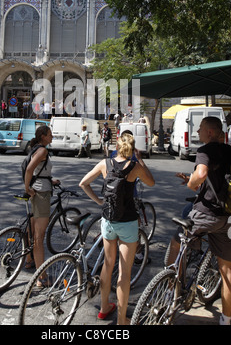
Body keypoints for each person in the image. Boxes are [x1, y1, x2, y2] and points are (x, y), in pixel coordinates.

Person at [79, 133, 155, 325]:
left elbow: (83, 183)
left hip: (108, 221)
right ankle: (122, 320)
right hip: (128, 223)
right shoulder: (135, 167)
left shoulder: (106, 163)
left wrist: (99, 201)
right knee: (124, 273)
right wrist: (141, 160)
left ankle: (104, 308)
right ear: (132, 148)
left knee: (107, 264)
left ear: (116, 146)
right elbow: (151, 182)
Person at [168, 116, 231, 325]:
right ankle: (225, 319)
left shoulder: (205, 151)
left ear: (210, 132)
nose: (197, 131)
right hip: (230, 216)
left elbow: (202, 172)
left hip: (207, 213)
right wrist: (195, 181)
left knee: (176, 243)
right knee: (227, 270)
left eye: (200, 128)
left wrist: (191, 184)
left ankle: (172, 290)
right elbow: (219, 180)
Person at [24, 125, 60, 284]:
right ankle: (42, 277)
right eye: (50, 134)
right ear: (43, 136)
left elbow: (38, 170)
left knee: (30, 230)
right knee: (39, 236)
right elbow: (30, 169)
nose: (52, 137)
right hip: (41, 195)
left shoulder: (36, 148)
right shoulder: (43, 151)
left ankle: (28, 259)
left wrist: (50, 180)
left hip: (38, 191)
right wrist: (27, 188)